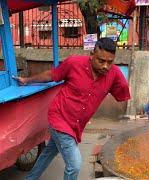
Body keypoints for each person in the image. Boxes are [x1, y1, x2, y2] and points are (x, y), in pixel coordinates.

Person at [16, 38, 130, 180]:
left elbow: (123, 95)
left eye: (110, 62)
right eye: (101, 61)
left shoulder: (114, 74)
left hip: (75, 126)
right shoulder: (74, 63)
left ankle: (30, 178)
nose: (106, 66)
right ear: (91, 54)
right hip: (59, 118)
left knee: (48, 153)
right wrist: (27, 80)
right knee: (75, 164)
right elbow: (51, 75)